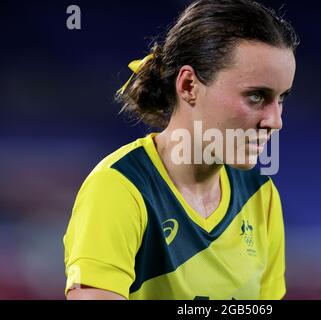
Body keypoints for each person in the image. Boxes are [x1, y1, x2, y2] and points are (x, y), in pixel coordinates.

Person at [63, 0, 298, 300]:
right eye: (256, 96)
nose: (275, 121)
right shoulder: (120, 187)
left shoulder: (260, 196)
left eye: (281, 99)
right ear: (188, 85)